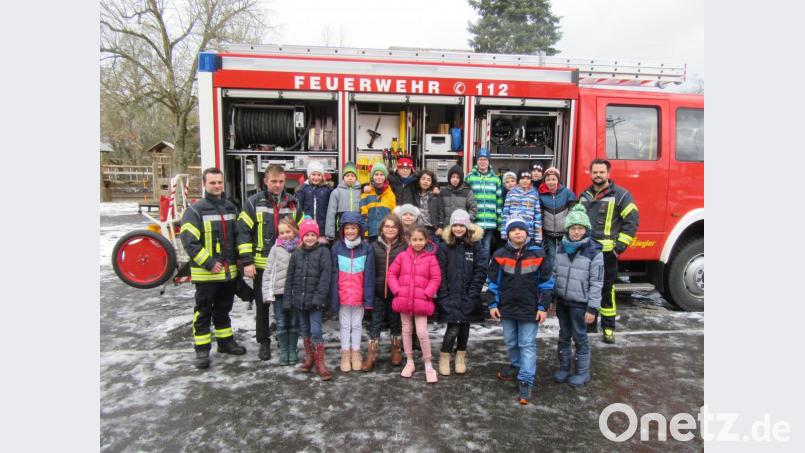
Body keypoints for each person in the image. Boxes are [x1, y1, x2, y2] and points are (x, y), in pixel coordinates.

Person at [179, 167, 247, 369]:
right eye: (212, 183)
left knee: (224, 310)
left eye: (219, 182)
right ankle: (201, 350)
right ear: (204, 184)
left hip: (227, 273)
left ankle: (225, 343)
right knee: (203, 312)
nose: (217, 186)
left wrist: (241, 261)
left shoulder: (231, 208)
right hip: (207, 275)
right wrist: (209, 262)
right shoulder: (195, 211)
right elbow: (189, 241)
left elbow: (238, 237)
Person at [237, 164, 301, 361]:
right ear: (266, 181)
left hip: (287, 265)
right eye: (274, 181)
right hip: (262, 265)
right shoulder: (253, 203)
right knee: (263, 304)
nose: (278, 185)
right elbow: (243, 232)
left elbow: (301, 230)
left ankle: (285, 341)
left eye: (281, 181)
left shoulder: (292, 203)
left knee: (287, 305)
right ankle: (264, 342)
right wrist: (247, 261)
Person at [487, 217, 554, 405]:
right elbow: (493, 282)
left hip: (530, 309)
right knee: (510, 341)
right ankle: (516, 366)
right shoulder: (500, 254)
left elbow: (546, 283)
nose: (517, 232)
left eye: (521, 229)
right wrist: (493, 304)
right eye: (513, 229)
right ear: (507, 233)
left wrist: (542, 307)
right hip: (506, 308)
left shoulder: (538, 254)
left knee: (527, 344)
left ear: (527, 232)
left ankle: (526, 380)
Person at [578, 159, 639, 344]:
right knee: (587, 289)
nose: (598, 175)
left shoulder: (621, 195)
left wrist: (618, 248)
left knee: (606, 291)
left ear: (608, 173)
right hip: (587, 252)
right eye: (595, 172)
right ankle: (588, 326)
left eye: (601, 172)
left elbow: (632, 222)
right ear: (590, 173)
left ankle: (608, 328)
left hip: (606, 255)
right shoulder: (585, 195)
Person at [552, 205, 603, 387]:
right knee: (564, 335)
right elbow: (555, 273)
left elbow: (597, 283)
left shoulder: (594, 252)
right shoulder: (561, 248)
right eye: (573, 228)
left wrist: (592, 308)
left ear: (586, 229)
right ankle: (564, 368)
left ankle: (582, 372)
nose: (576, 232)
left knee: (580, 336)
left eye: (580, 228)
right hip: (563, 302)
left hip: (580, 304)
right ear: (568, 229)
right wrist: (551, 296)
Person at [388, 226, 442, 383]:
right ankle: (409, 361)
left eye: (421, 239)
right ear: (409, 240)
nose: (418, 243)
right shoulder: (402, 256)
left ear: (426, 240)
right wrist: (397, 290)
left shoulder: (431, 258)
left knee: (422, 333)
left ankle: (428, 364)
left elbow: (436, 278)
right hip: (404, 300)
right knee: (406, 330)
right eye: (415, 240)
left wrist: (427, 293)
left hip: (421, 302)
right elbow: (391, 274)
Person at [436, 210, 487, 376]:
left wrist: (473, 293)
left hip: (468, 295)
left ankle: (460, 357)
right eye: (455, 225)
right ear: (451, 227)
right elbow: (440, 271)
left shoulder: (475, 245)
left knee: (465, 327)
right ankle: (444, 356)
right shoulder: (444, 246)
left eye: (461, 225)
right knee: (452, 328)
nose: (458, 228)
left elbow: (480, 270)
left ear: (467, 226)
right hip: (450, 295)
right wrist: (444, 293)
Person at [285, 219, 333, 380]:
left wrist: (318, 299)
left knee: (316, 331)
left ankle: (320, 362)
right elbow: (290, 277)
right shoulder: (297, 253)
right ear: (302, 236)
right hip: (299, 300)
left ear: (317, 236)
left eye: (313, 235)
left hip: (315, 302)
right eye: (307, 235)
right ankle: (310, 357)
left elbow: (325, 277)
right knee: (304, 329)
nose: (310, 238)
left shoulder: (323, 251)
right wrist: (288, 299)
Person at [330, 212, 375, 373]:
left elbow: (369, 275)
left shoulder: (366, 248)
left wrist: (367, 297)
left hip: (358, 294)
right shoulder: (336, 248)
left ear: (359, 230)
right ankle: (345, 353)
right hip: (342, 293)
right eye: (347, 228)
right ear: (342, 230)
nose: (350, 231)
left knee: (356, 325)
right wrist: (333, 295)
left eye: (353, 228)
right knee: (344, 325)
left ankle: (355, 352)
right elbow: (333, 273)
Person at [366, 214, 407, 370]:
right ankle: (372, 353)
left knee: (396, 322)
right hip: (378, 292)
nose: (390, 229)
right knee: (375, 323)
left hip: (396, 293)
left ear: (399, 230)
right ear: (381, 229)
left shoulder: (403, 247)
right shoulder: (373, 246)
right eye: (387, 226)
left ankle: (396, 350)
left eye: (394, 227)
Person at [261, 217, 300, 366]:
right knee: (282, 322)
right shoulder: (275, 249)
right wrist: (268, 293)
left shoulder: (300, 248)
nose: (285, 235)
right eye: (282, 232)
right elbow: (269, 272)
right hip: (279, 294)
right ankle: (284, 351)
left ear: (295, 231)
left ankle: (292, 350)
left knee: (294, 322)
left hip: (295, 294)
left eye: (288, 231)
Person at [538, 167, 577, 274]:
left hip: (564, 232)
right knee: (551, 255)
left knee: (566, 254)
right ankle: (551, 278)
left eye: (553, 179)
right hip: (548, 232)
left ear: (558, 180)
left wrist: (570, 227)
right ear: (544, 181)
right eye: (548, 179)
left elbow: (573, 211)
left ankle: (565, 276)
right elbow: (539, 214)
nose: (551, 182)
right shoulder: (541, 195)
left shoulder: (567, 193)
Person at [466, 148, 502, 258]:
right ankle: (476, 272)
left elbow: (499, 201)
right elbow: (466, 200)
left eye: (485, 159)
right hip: (476, 221)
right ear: (476, 161)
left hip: (490, 221)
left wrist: (499, 221)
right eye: (480, 159)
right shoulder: (469, 177)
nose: (482, 162)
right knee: (476, 247)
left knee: (486, 248)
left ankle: (484, 273)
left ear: (489, 161)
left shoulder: (496, 179)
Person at [296, 160, 333, 243]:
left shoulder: (327, 189)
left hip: (322, 229)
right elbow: (298, 208)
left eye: (319, 175)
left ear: (322, 176)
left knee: (321, 249)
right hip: (307, 229)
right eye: (313, 174)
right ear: (308, 175)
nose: (316, 177)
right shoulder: (303, 189)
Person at [502, 170, 542, 245]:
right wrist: (504, 232)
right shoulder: (511, 193)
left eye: (528, 179)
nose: (525, 181)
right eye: (522, 178)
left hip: (529, 233)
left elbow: (538, 216)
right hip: (513, 232)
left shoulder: (534, 194)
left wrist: (538, 237)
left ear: (531, 180)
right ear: (518, 180)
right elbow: (505, 214)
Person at [325, 162, 361, 241]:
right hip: (341, 229)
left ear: (356, 178)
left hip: (357, 228)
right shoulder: (336, 192)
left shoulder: (361, 192)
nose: (350, 178)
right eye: (347, 175)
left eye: (352, 176)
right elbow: (331, 214)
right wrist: (330, 233)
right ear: (343, 177)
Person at [360, 162, 396, 241]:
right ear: (372, 176)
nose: (379, 177)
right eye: (376, 174)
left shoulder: (390, 194)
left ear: (385, 177)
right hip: (371, 234)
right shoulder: (366, 193)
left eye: (381, 174)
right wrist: (365, 234)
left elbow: (393, 215)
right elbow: (363, 215)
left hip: (386, 234)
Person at [414, 169, 444, 240]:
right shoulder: (415, 194)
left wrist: (440, 227)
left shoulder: (435, 195)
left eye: (428, 180)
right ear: (419, 180)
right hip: (418, 228)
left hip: (432, 229)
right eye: (423, 179)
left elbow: (441, 211)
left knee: (433, 249)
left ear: (431, 182)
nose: (425, 182)